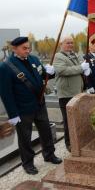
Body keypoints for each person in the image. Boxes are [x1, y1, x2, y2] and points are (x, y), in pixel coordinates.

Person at [0, 37, 62, 175]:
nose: (28, 50)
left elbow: (42, 76)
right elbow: (6, 94)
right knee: (25, 138)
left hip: (39, 104)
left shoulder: (34, 59)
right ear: (14, 49)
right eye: (24, 48)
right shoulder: (6, 66)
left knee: (46, 131)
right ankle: (28, 163)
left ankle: (49, 154)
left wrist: (50, 73)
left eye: (28, 48)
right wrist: (13, 115)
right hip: (23, 110)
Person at [53, 36, 91, 152]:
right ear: (61, 44)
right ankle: (69, 143)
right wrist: (81, 68)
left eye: (72, 43)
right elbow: (62, 70)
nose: (70, 45)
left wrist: (86, 69)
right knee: (68, 120)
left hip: (77, 92)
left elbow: (78, 66)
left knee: (77, 118)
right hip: (66, 94)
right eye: (68, 43)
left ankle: (77, 139)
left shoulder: (73, 55)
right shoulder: (58, 56)